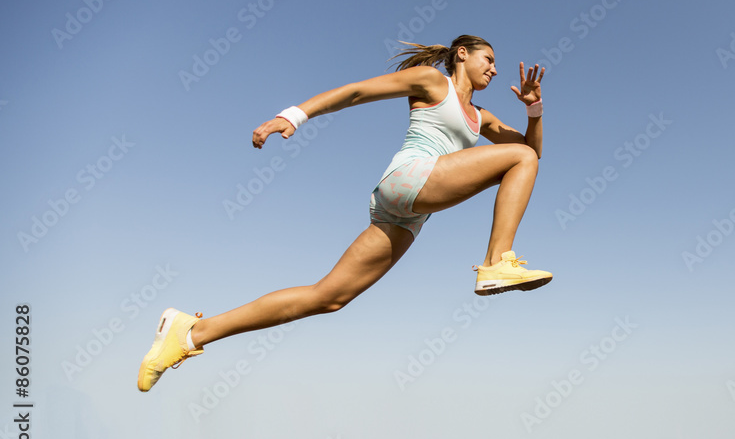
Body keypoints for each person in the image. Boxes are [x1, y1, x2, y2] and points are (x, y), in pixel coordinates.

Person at [138, 35, 551, 392]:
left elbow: (532, 152)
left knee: (329, 297)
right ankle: (497, 262)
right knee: (516, 159)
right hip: (409, 178)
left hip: (409, 213)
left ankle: (191, 332)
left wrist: (534, 110)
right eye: (489, 60)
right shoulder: (432, 81)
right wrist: (293, 115)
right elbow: (356, 92)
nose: (494, 70)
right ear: (462, 54)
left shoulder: (482, 118)